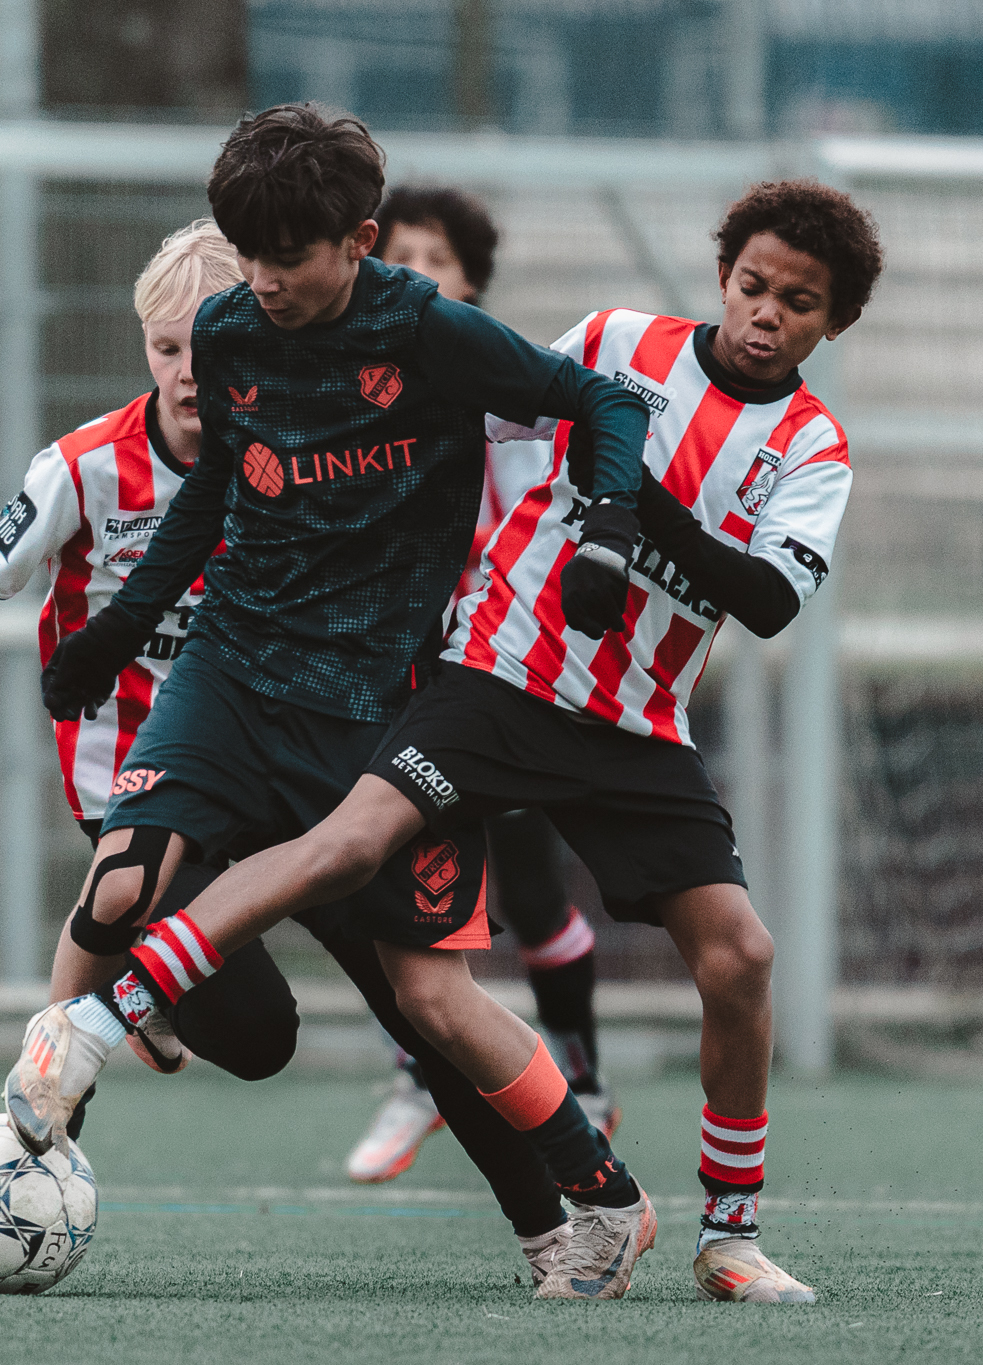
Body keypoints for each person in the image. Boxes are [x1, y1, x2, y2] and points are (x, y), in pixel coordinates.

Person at [77, 179, 881, 1304]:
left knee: (739, 956)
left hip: (635, 724)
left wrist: (628, 507)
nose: (765, 314)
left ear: (832, 323)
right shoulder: (614, 342)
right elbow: (477, 425)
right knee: (349, 849)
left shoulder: (811, 446)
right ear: (721, 275)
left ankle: (729, 1235)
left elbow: (766, 599)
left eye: (797, 304)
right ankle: (108, 1013)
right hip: (495, 678)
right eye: (752, 286)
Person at [0, 221, 582, 1285]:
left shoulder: (312, 454)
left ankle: (551, 1232)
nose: (190, 373)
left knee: (411, 1007)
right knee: (176, 955)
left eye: (206, 345)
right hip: (153, 786)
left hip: (301, 769)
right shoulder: (84, 469)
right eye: (164, 349)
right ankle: (30, 1144)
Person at [3, 102, 660, 1299]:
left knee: (426, 1006)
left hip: (381, 711)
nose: (261, 281)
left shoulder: (428, 332)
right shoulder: (229, 331)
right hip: (232, 673)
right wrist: (119, 629)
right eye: (246, 255)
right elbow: (214, 494)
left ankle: (571, 1218)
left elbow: (606, 402)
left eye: (287, 258)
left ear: (359, 240)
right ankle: (28, 1146)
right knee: (120, 882)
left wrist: (608, 530)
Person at [346, 187, 617, 1185]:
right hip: (390, 674)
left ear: (471, 283)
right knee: (381, 873)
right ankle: (417, 1076)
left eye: (437, 258)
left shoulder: (501, 392)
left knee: (532, 888)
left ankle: (583, 1081)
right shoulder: (352, 381)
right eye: (399, 253)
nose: (415, 271)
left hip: (492, 673)